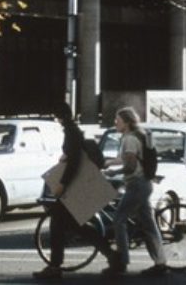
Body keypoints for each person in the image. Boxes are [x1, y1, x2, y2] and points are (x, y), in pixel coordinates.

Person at [33, 102, 116, 281]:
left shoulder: (70, 132)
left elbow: (74, 163)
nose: (56, 119)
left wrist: (63, 184)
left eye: (56, 116)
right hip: (77, 183)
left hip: (73, 184)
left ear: (60, 116)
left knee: (59, 223)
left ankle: (55, 266)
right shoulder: (73, 130)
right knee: (73, 225)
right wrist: (67, 155)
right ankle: (112, 256)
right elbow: (73, 156)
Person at [106, 107, 167, 276]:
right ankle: (160, 262)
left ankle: (122, 261)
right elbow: (127, 158)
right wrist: (108, 163)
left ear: (126, 122)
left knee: (119, 219)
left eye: (117, 120)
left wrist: (114, 172)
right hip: (144, 183)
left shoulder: (129, 139)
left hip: (137, 185)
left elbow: (130, 166)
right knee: (148, 225)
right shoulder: (135, 136)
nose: (115, 123)